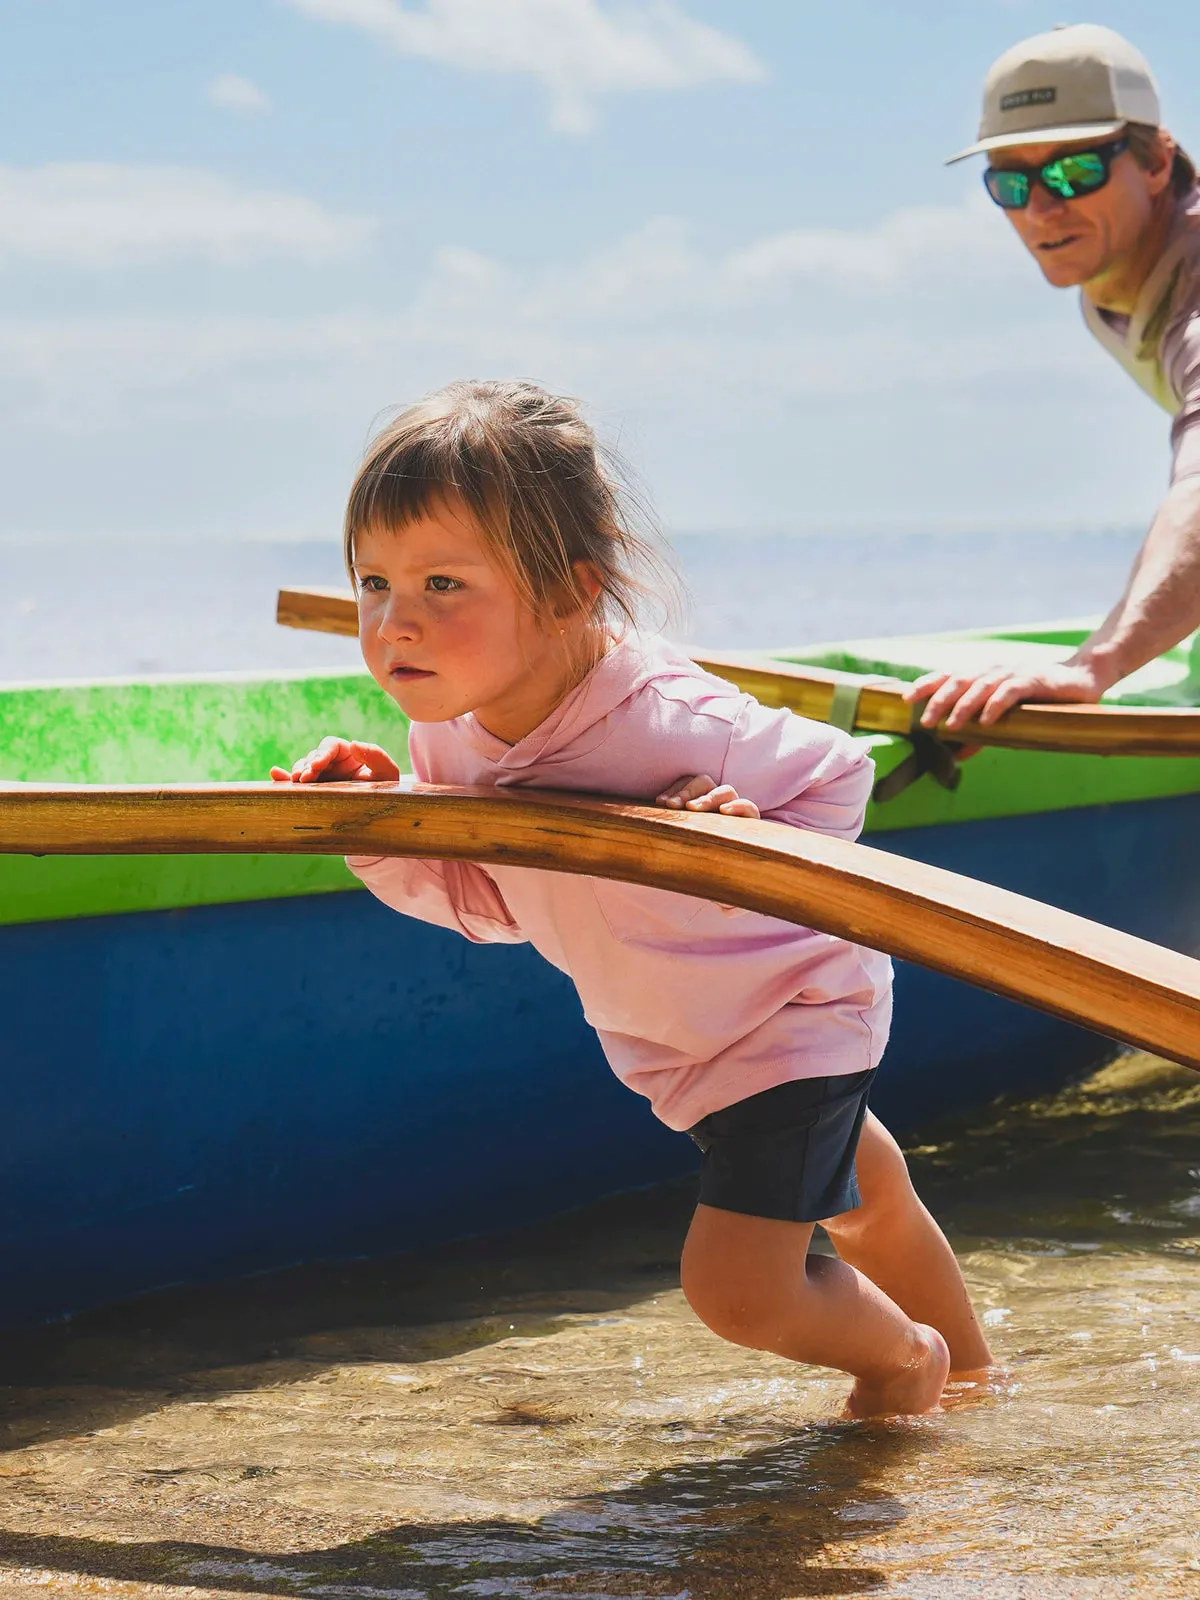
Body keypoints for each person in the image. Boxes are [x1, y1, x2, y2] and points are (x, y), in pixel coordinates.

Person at [271, 379, 992, 1416]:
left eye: (441, 584)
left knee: (739, 1288)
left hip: (792, 1014)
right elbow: (491, 901)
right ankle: (977, 1373)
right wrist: (384, 823)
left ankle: (906, 1363)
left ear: (568, 594)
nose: (396, 623)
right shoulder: (449, 738)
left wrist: (750, 835)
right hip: (679, 1048)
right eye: (375, 583)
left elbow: (838, 778)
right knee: (868, 1199)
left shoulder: (667, 717)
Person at [907, 23, 1200, 735]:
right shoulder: (1111, 280)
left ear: (1158, 162)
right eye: (1012, 181)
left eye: (1075, 172)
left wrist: (1096, 663)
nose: (1041, 208)